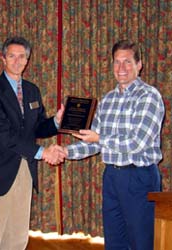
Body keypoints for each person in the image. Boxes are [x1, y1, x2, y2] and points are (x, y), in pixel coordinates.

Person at [62, 40, 165, 250]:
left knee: (142, 242)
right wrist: (64, 151)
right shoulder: (107, 99)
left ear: (139, 65)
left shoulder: (149, 96)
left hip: (140, 177)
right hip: (111, 177)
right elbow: (94, 143)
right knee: (114, 242)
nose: (121, 68)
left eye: (127, 62)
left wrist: (98, 138)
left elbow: (138, 142)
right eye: (117, 62)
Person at [0, 36, 65, 250]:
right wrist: (43, 153)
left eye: (22, 56)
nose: (17, 61)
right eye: (12, 56)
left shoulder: (32, 90)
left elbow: (37, 128)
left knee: (17, 239)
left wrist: (56, 121)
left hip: (25, 171)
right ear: (3, 59)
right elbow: (3, 135)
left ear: (28, 59)